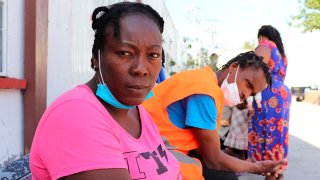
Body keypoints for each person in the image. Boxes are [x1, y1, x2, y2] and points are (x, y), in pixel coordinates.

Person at [29, 2, 181, 180]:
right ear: (95, 58)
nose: (141, 69)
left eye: (153, 55)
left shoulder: (136, 111)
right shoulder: (75, 114)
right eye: (124, 53)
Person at [143, 51, 286, 180]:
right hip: (149, 148)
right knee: (223, 177)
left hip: (150, 140)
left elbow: (205, 149)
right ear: (234, 67)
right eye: (248, 84)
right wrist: (257, 167)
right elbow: (213, 159)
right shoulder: (205, 92)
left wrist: (247, 163)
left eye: (252, 93)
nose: (246, 94)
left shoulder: (203, 78)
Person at [248, 25, 292, 180]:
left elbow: (255, 68)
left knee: (267, 132)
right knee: (277, 133)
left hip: (268, 93)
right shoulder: (281, 54)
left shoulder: (264, 45)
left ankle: (271, 173)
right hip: (282, 94)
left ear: (261, 36)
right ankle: (277, 171)